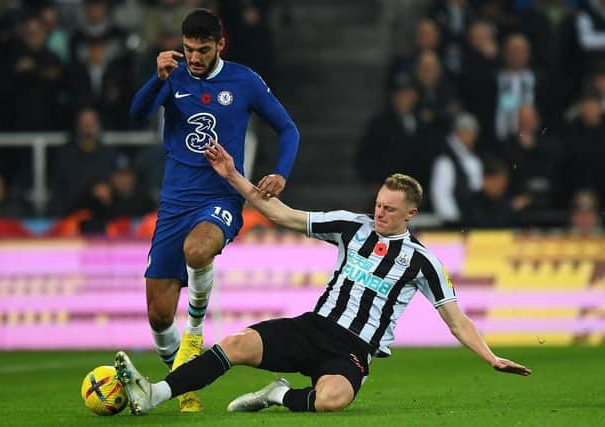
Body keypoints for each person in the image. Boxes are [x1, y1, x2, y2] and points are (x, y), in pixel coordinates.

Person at [114, 141, 531, 416]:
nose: (380, 212)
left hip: (353, 351)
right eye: (379, 204)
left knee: (333, 400)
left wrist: (490, 357)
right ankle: (155, 394)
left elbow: (457, 319)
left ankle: (278, 395)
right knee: (236, 343)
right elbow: (281, 213)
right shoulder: (351, 226)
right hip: (313, 328)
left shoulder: (423, 262)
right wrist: (231, 175)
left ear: (410, 214)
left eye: (389, 209)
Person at [128, 9, 299, 412]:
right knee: (156, 314)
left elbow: (288, 128)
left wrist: (281, 173)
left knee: (198, 249)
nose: (194, 58)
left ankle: (195, 332)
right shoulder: (174, 77)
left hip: (220, 198)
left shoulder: (245, 81)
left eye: (202, 50)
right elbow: (136, 115)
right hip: (174, 204)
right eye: (188, 49)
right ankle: (183, 383)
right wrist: (158, 78)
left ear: (220, 44)